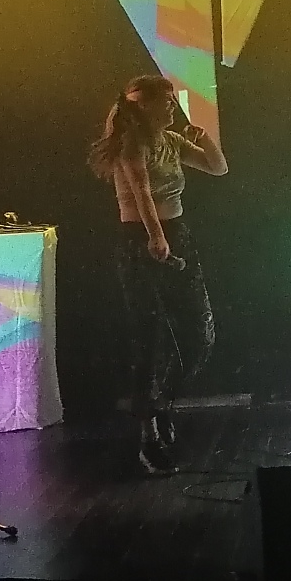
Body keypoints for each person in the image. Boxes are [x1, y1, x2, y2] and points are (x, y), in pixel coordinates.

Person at [89, 76, 229, 474]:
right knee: (151, 340)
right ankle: (148, 437)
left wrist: (205, 140)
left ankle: (163, 402)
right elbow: (142, 192)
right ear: (145, 106)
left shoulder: (172, 141)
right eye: (166, 101)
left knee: (199, 332)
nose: (172, 107)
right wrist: (155, 237)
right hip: (141, 240)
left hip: (178, 235)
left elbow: (218, 168)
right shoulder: (132, 145)